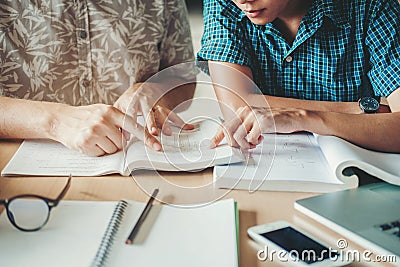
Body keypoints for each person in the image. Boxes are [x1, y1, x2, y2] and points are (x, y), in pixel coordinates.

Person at [197, 0, 400, 153]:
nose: (243, 0)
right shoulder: (223, 3)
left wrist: (302, 118)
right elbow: (238, 109)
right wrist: (357, 110)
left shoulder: (371, 6)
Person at [0, 0, 195, 156]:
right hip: (18, 163)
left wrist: (157, 91)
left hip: (133, 158)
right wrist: (55, 122)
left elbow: (184, 79)